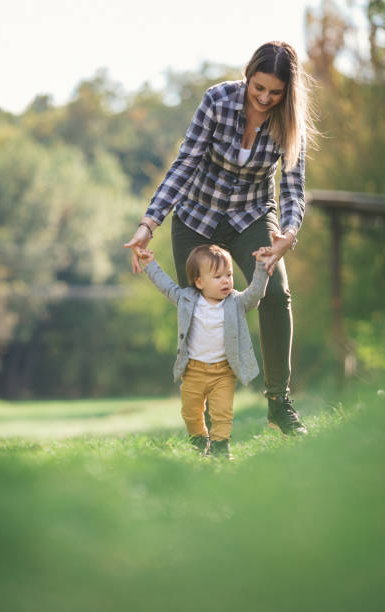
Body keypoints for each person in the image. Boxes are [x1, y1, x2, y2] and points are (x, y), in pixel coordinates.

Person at [125, 41, 317, 435]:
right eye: (257, 87)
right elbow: (185, 163)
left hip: (252, 214)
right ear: (248, 76)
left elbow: (294, 188)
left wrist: (289, 233)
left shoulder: (290, 121)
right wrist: (149, 223)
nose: (264, 98)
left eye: (274, 92)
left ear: (287, 92)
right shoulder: (217, 100)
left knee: (276, 294)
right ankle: (211, 424)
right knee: (201, 311)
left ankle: (279, 402)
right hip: (198, 214)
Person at [137, 243, 270, 458]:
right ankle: (199, 442)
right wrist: (149, 264)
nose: (226, 280)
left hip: (224, 372)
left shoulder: (236, 302)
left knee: (222, 413)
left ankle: (220, 449)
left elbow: (255, 294)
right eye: (218, 277)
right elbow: (166, 286)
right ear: (199, 282)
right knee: (190, 413)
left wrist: (262, 265)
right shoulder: (187, 300)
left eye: (229, 274)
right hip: (193, 371)